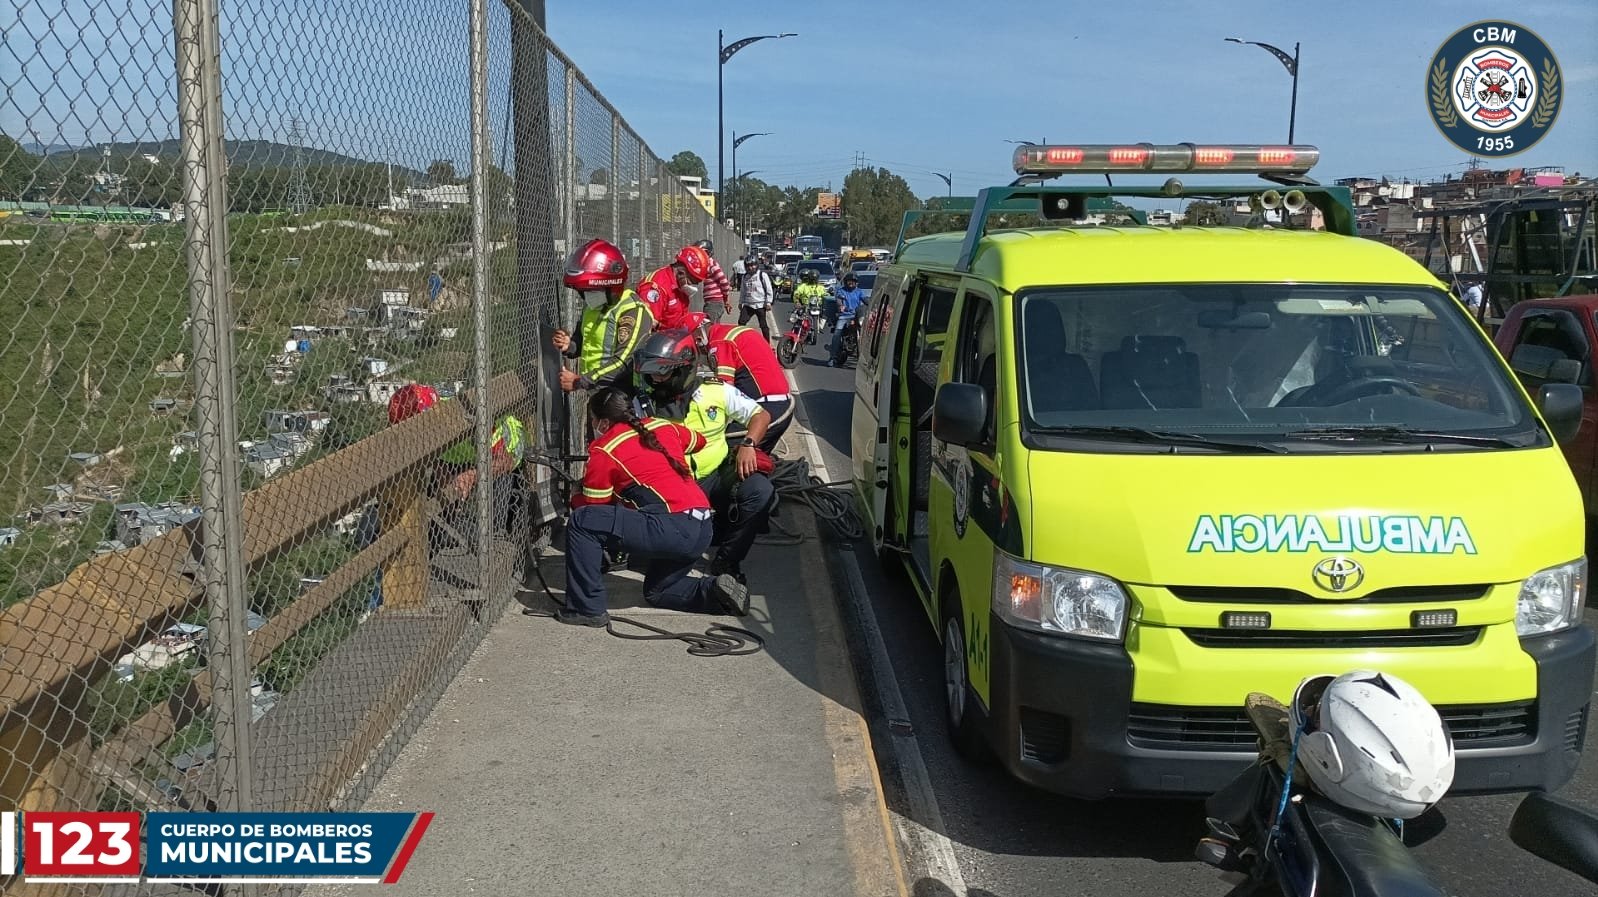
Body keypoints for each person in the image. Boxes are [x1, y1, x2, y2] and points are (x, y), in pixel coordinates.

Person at [557, 387, 749, 626]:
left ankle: (586, 609)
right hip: (702, 525)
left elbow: (595, 507)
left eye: (594, 420)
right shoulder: (661, 425)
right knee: (658, 591)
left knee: (582, 521)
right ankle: (713, 591)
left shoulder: (604, 449)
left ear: (604, 422)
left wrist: (576, 495)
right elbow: (698, 441)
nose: (595, 425)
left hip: (672, 526)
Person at [633, 329, 775, 584]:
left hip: (714, 476)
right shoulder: (642, 404)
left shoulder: (716, 391)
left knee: (760, 491)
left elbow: (761, 415)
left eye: (661, 372)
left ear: (684, 369)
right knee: (664, 558)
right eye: (650, 372)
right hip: (670, 488)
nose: (654, 379)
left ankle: (727, 562)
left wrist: (748, 443)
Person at [387, 383, 529, 550]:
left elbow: (505, 461)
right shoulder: (431, 419)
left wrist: (472, 476)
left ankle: (495, 539)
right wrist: (445, 481)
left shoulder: (468, 413)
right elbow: (436, 456)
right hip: (464, 458)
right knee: (444, 512)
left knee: (493, 528)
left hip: (503, 456)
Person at [552, 238, 654, 392]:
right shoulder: (593, 306)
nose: (586, 296)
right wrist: (569, 346)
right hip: (595, 392)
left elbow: (623, 361)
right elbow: (583, 342)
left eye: (591, 291)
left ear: (611, 286)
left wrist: (579, 382)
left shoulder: (632, 310)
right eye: (583, 292)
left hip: (621, 397)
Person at [689, 313, 793, 453]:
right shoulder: (731, 331)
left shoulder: (719, 343)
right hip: (783, 405)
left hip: (766, 410)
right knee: (756, 464)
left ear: (698, 339)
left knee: (717, 450)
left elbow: (723, 391)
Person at [638, 245, 712, 332]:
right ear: (681, 273)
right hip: (659, 342)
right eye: (692, 281)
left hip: (675, 339)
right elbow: (647, 327)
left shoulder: (680, 286)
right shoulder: (656, 287)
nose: (694, 286)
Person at [828, 272, 868, 367]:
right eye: (849, 281)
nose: (851, 283)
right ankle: (832, 357)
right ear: (846, 282)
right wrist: (841, 306)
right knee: (837, 334)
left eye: (853, 282)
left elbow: (866, 300)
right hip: (844, 316)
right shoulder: (841, 291)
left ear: (856, 282)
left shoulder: (859, 291)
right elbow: (839, 301)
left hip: (857, 316)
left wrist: (872, 304)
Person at [693, 239, 735, 322]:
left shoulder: (712, 265)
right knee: (714, 327)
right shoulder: (706, 265)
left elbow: (724, 282)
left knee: (709, 326)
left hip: (714, 303)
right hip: (711, 301)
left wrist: (726, 298)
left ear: (708, 253)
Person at [739, 256, 777, 342]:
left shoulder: (762, 275)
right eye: (748, 266)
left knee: (763, 325)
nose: (750, 268)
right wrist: (740, 302)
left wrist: (768, 302)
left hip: (760, 304)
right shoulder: (745, 277)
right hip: (748, 304)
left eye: (752, 265)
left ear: (757, 265)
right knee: (741, 322)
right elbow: (743, 290)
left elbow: (769, 289)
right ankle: (741, 341)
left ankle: (767, 343)